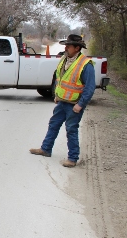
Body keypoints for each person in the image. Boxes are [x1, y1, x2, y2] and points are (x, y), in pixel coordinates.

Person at [29, 34, 96, 167]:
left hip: (74, 104)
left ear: (77, 48)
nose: (66, 48)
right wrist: (56, 95)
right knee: (53, 124)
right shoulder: (64, 59)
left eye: (68, 46)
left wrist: (80, 104)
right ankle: (46, 149)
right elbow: (58, 79)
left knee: (71, 129)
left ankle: (72, 158)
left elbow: (90, 88)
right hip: (62, 101)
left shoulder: (85, 64)